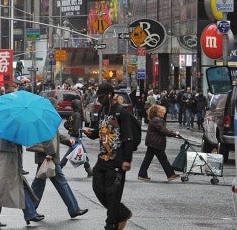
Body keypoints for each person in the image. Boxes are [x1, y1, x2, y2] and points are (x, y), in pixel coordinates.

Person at [83, 83, 134, 230]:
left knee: (112, 194)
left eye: (102, 97)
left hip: (117, 161)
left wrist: (127, 160)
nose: (99, 100)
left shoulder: (121, 113)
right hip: (103, 159)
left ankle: (111, 225)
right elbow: (100, 131)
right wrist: (91, 133)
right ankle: (123, 213)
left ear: (110, 95)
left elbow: (128, 137)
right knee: (98, 189)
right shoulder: (102, 111)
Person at [30, 130, 89, 220]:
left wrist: (69, 141)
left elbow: (57, 135)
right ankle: (74, 209)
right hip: (49, 157)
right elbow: (47, 137)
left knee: (39, 184)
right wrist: (50, 153)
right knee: (60, 183)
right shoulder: (47, 118)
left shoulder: (47, 118)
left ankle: (30, 211)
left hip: (47, 157)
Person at [0, 137, 43, 227]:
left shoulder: (9, 125)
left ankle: (30, 213)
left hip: (11, 156)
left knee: (18, 185)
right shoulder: (7, 126)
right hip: (6, 156)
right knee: (1, 188)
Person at [137, 105, 181, 181]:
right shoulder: (156, 120)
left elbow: (163, 130)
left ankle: (142, 174)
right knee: (163, 159)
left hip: (153, 142)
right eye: (162, 112)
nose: (164, 114)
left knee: (148, 159)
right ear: (158, 112)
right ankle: (170, 174)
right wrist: (174, 133)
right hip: (156, 142)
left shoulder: (156, 119)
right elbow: (163, 131)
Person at [60, 99, 92, 177]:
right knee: (75, 153)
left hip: (74, 137)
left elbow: (66, 125)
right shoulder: (77, 115)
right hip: (76, 138)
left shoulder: (73, 114)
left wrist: (72, 129)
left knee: (83, 153)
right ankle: (59, 168)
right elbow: (76, 128)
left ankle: (89, 170)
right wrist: (78, 133)